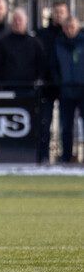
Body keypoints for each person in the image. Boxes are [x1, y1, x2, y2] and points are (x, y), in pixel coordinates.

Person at [38, 1, 70, 163]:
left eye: (62, 12)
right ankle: (43, 157)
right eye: (56, 12)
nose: (59, 15)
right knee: (45, 124)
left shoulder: (72, 35)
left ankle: (66, 157)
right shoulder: (43, 34)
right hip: (48, 85)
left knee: (67, 126)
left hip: (68, 87)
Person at [51, 16, 84, 163]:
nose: (70, 30)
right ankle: (66, 157)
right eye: (68, 27)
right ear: (64, 28)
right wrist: (59, 82)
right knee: (66, 127)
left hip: (82, 90)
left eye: (73, 27)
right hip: (66, 91)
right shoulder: (58, 44)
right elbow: (54, 67)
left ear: (78, 27)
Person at [0, 8, 45, 92]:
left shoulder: (35, 43)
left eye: (20, 20)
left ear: (26, 21)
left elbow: (41, 65)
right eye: (15, 20)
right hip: (8, 89)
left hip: (30, 89)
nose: (17, 23)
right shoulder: (2, 43)